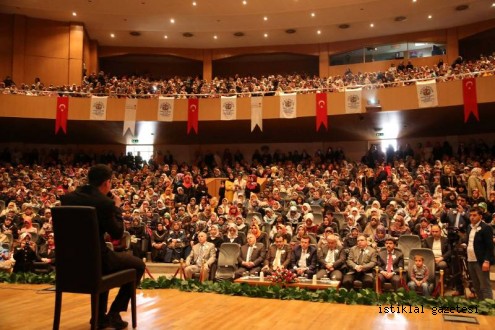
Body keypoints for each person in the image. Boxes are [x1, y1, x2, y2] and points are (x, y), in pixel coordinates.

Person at [61, 164, 145, 329]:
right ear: (107, 182)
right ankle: (114, 313)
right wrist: (117, 208)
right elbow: (117, 234)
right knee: (138, 265)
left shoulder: (68, 198)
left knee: (104, 262)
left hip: (70, 264)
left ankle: (99, 317)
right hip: (97, 261)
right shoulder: (105, 203)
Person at [465, 206, 494, 300]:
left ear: (480, 216)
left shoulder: (486, 228)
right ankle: (481, 305)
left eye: (474, 215)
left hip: (481, 261)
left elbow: (490, 247)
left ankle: (489, 307)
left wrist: (487, 261)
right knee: (476, 285)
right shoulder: (469, 227)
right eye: (470, 215)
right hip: (470, 259)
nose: (472, 217)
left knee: (485, 285)